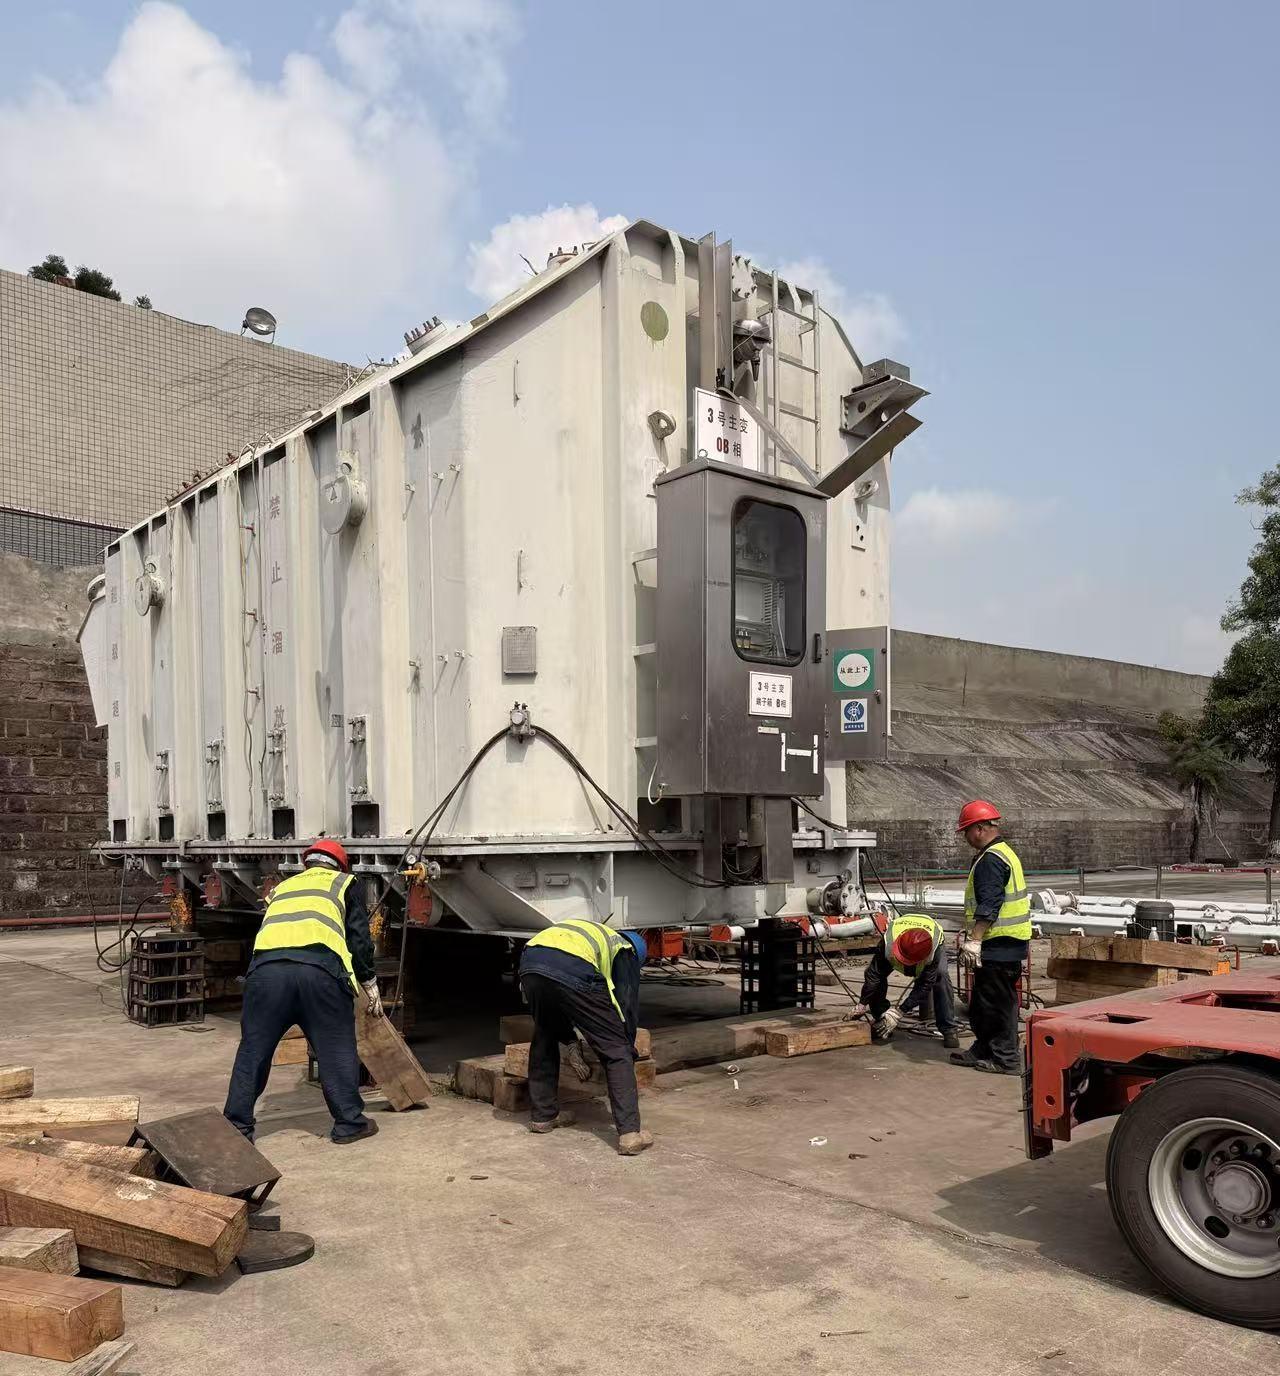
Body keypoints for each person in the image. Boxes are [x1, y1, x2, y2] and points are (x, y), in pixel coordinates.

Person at [224, 839, 383, 1144]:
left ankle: (236, 1127)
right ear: (341, 866)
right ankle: (350, 1124)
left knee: (253, 1051)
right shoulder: (345, 883)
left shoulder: (282, 888)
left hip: (266, 975)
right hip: (319, 975)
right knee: (335, 1047)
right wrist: (368, 981)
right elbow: (359, 939)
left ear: (306, 864)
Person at [518, 919, 652, 1156]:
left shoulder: (593, 934)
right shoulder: (625, 951)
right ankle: (630, 1134)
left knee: (545, 1035)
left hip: (530, 964)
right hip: (571, 966)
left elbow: (564, 999)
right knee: (617, 1051)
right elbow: (626, 1002)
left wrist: (569, 1039)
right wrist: (625, 1043)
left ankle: (543, 1116)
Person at [950, 800, 1031, 1075]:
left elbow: (989, 904)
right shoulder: (1003, 853)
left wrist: (975, 939)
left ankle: (1005, 1058)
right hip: (1006, 942)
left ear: (980, 828)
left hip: (998, 943)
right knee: (984, 1001)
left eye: (966, 831)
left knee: (997, 1003)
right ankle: (984, 1048)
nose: (965, 837)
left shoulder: (991, 860)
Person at [858, 912, 960, 1049]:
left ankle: (949, 1029)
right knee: (876, 977)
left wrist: (900, 1011)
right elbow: (873, 975)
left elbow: (925, 986)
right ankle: (882, 1019)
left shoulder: (933, 950)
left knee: (940, 976)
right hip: (899, 943)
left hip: (930, 944)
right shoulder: (888, 941)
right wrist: (862, 1003)